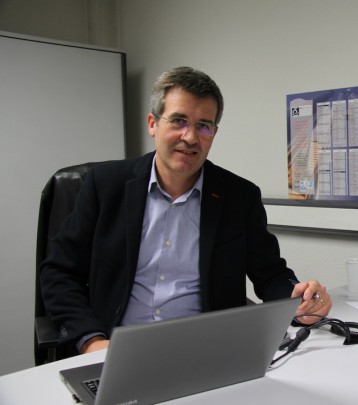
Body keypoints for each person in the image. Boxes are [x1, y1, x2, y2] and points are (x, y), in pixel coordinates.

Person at [40, 66, 332, 355]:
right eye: (179, 121)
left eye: (204, 125)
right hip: (117, 349)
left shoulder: (239, 197)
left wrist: (299, 300)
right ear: (153, 123)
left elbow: (270, 275)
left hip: (206, 351)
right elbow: (59, 273)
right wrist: (91, 341)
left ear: (214, 133)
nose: (191, 137)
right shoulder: (105, 186)